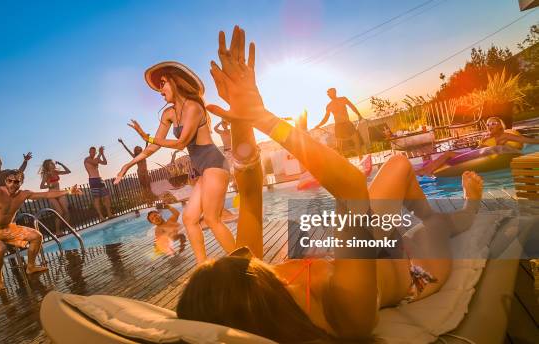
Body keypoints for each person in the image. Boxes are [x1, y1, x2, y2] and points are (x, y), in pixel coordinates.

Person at [176, 26, 486, 342]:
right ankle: (470, 209)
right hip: (415, 268)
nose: (241, 253)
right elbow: (352, 187)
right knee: (434, 226)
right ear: (252, 300)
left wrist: (241, 119)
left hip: (369, 250)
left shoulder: (255, 282)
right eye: (232, 265)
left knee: (399, 164)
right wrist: (264, 119)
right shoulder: (342, 313)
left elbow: (251, 195)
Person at [114, 61, 235, 265]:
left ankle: (248, 264)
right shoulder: (168, 114)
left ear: (175, 81)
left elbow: (180, 143)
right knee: (189, 219)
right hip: (204, 171)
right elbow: (153, 148)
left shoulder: (194, 107)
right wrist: (128, 165)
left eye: (163, 83)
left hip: (215, 164)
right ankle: (202, 267)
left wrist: (147, 136)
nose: (160, 91)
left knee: (213, 219)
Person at [0, 169, 81, 291]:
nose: (12, 184)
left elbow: (46, 194)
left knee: (37, 236)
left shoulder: (24, 194)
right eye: (9, 181)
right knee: (0, 249)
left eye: (16, 181)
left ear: (21, 182)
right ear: (5, 181)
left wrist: (68, 191)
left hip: (7, 229)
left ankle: (30, 267)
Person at [416, 116, 539, 176]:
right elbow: (477, 150)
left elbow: (524, 139)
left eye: (493, 124)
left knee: (448, 153)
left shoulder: (505, 136)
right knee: (448, 154)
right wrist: (485, 140)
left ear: (500, 126)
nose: (490, 126)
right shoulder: (488, 137)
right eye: (488, 124)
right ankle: (428, 169)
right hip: (473, 155)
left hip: (477, 157)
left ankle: (426, 170)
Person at [314, 88, 364, 158]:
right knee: (339, 147)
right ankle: (344, 161)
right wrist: (319, 125)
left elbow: (352, 106)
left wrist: (358, 114)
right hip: (338, 126)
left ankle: (360, 158)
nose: (329, 95)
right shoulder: (329, 106)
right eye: (328, 94)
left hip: (347, 123)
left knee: (356, 141)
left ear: (335, 92)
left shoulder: (343, 99)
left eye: (330, 93)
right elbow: (326, 118)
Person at [39, 159, 72, 236]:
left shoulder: (56, 172)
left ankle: (68, 228)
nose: (53, 164)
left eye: (53, 163)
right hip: (52, 195)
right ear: (47, 165)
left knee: (66, 211)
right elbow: (41, 186)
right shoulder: (46, 174)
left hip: (59, 193)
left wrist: (61, 163)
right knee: (60, 212)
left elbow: (68, 171)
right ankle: (58, 231)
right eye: (51, 164)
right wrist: (49, 185)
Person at [118, 138, 154, 203]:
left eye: (139, 149)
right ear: (136, 151)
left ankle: (151, 199)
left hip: (145, 172)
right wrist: (122, 143)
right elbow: (128, 150)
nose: (139, 150)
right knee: (144, 187)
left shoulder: (144, 154)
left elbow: (146, 148)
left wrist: (147, 141)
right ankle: (148, 200)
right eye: (137, 149)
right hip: (140, 173)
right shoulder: (135, 156)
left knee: (148, 186)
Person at [84, 146, 113, 221]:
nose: (93, 153)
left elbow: (105, 162)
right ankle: (101, 216)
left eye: (94, 151)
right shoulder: (87, 159)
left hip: (99, 179)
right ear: (89, 152)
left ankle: (109, 214)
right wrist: (99, 154)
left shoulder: (96, 158)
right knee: (97, 199)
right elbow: (95, 162)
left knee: (106, 197)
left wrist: (102, 154)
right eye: (91, 151)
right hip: (93, 180)